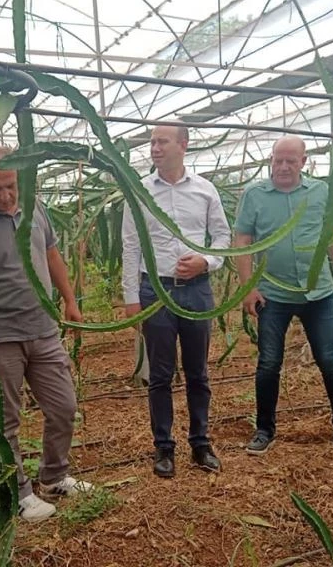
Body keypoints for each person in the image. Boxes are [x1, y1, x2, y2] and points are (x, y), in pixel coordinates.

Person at [0, 151, 93, 523]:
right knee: (7, 421)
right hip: (0, 335)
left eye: (12, 186)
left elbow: (52, 254)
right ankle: (20, 493)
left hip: (43, 328)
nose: (7, 195)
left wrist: (70, 299)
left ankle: (55, 475)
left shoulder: (34, 207)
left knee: (63, 407)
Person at [233, 135, 333, 455]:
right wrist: (248, 287)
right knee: (269, 363)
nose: (283, 166)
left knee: (329, 359)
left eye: (291, 160)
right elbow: (242, 241)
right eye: (278, 160)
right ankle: (264, 430)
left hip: (318, 293)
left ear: (304, 162)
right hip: (272, 295)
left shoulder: (320, 192)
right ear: (270, 160)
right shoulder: (254, 195)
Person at [121, 125, 231, 478]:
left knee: (198, 372)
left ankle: (201, 443)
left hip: (197, 289)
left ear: (182, 145)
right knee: (160, 374)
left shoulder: (204, 190)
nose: (154, 148)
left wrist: (206, 261)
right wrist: (131, 298)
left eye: (161, 141)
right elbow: (131, 245)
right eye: (152, 142)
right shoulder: (138, 192)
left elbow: (224, 237)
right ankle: (164, 448)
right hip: (155, 291)